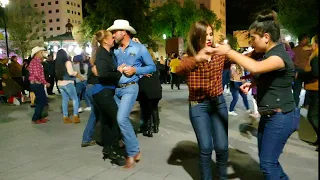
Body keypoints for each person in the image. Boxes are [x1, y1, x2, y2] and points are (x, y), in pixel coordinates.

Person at [207, 10, 297, 180]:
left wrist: (228, 51)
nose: (251, 42)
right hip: (270, 115)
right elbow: (270, 76)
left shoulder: (279, 56)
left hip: (281, 116)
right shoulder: (269, 54)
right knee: (269, 162)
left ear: (266, 37)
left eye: (253, 38)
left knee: (267, 164)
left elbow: (255, 67)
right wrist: (254, 83)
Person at [176, 21, 228, 180]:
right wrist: (197, 59)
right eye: (205, 35)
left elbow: (241, 59)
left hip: (218, 103)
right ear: (197, 37)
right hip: (198, 106)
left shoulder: (218, 53)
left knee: (222, 147)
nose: (209, 38)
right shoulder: (189, 57)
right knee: (206, 147)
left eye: (211, 34)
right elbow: (178, 69)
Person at [107, 19, 156, 169]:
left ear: (124, 32)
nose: (113, 34)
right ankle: (133, 147)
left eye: (115, 31)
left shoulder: (139, 48)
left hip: (130, 87)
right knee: (120, 119)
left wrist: (136, 70)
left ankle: (132, 153)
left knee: (121, 118)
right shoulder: (114, 50)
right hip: (116, 89)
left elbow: (152, 67)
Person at [90, 30, 126, 166]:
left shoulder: (106, 53)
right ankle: (114, 151)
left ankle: (107, 148)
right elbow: (103, 74)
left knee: (107, 121)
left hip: (104, 92)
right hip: (102, 92)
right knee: (117, 119)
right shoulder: (101, 55)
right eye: (111, 37)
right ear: (105, 40)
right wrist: (118, 72)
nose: (113, 39)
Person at [297, 35, 318, 151]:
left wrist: (301, 74)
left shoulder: (316, 57)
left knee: (312, 116)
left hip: (316, 90)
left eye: (312, 43)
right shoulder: (314, 54)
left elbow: (315, 73)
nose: (311, 45)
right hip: (314, 90)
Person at [138, 48, 162, 137]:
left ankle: (148, 129)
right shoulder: (155, 65)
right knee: (154, 108)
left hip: (146, 91)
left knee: (145, 109)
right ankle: (156, 126)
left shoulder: (141, 66)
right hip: (156, 90)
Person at [55, 49, 83, 124]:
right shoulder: (67, 62)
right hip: (68, 83)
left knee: (65, 99)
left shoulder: (57, 63)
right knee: (75, 99)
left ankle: (65, 117)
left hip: (60, 83)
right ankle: (75, 116)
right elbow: (71, 72)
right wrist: (76, 73)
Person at [28, 47, 50, 124]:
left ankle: (39, 117)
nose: (43, 54)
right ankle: (36, 118)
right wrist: (45, 83)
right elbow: (38, 75)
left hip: (36, 84)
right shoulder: (36, 62)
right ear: (37, 53)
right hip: (37, 84)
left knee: (40, 101)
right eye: (41, 52)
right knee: (42, 101)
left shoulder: (35, 62)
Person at [292, 34, 312, 107]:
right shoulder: (309, 49)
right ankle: (306, 104)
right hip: (305, 71)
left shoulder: (294, 49)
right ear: (303, 40)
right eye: (306, 39)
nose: (308, 40)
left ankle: (295, 105)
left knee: (297, 90)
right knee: (307, 88)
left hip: (299, 71)